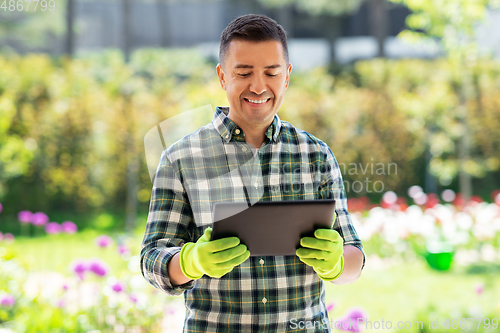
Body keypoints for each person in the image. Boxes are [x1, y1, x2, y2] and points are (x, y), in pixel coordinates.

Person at [140, 14, 365, 332]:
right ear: (222, 76)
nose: (258, 86)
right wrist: (191, 262)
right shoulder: (180, 159)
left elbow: (354, 256)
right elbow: (152, 259)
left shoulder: (316, 155)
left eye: (271, 73)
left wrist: (338, 262)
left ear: (286, 76)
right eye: (243, 73)